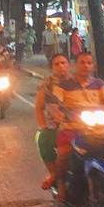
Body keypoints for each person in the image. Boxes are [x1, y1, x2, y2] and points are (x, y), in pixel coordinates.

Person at [53, 52, 104, 201]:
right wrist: (58, 113)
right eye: (82, 62)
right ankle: (61, 185)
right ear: (75, 65)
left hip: (98, 125)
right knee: (64, 153)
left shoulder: (98, 83)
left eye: (89, 63)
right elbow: (56, 103)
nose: (86, 65)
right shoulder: (63, 85)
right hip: (72, 126)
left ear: (93, 66)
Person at [34, 53, 70, 190]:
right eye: (57, 64)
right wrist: (43, 126)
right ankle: (54, 174)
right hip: (55, 126)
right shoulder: (46, 85)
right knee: (42, 139)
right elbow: (39, 108)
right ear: (52, 68)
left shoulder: (76, 82)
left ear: (68, 65)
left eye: (63, 63)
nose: (61, 66)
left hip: (80, 123)